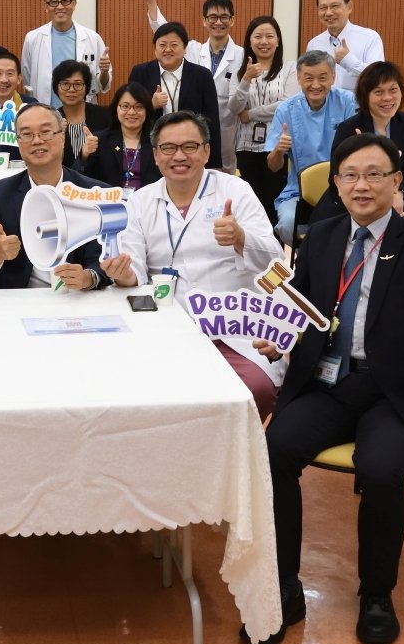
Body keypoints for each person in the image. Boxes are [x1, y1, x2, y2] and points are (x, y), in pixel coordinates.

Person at [250, 133, 404, 644]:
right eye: (350, 175)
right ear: (336, 183)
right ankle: (284, 585)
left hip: (396, 391)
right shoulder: (321, 236)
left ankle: (376, 593)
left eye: (375, 174)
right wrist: (279, 337)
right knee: (275, 449)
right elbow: (300, 307)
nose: (362, 185)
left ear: (397, 182)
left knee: (380, 469)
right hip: (330, 382)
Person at [99, 112, 284, 417]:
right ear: (155, 155)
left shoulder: (235, 191)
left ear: (207, 151)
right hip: (170, 326)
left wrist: (240, 237)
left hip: (233, 326)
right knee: (149, 394)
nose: (179, 156)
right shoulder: (140, 202)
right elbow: (134, 269)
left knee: (255, 390)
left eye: (189, 146)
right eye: (168, 148)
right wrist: (124, 274)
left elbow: (274, 259)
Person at [0, 104, 109, 292]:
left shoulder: (95, 193)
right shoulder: (0, 193)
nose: (37, 141)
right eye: (27, 134)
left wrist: (87, 277)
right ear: (18, 142)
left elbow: (105, 259)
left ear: (62, 137)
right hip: (20, 299)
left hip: (78, 299)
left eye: (46, 132)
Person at [266, 51, 357, 243]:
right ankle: (308, 255)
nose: (315, 85)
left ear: (333, 77)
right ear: (299, 78)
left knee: (350, 222)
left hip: (342, 188)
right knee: (287, 224)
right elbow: (273, 166)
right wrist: (279, 150)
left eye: (322, 78)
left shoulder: (347, 102)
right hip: (298, 191)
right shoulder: (286, 110)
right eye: (308, 78)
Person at [127, 21, 225, 169]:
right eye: (162, 45)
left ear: (185, 48)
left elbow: (211, 120)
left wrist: (214, 163)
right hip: (151, 149)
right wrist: (150, 105)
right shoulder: (140, 73)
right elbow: (129, 112)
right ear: (155, 48)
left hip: (190, 149)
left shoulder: (202, 76)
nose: (167, 49)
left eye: (174, 45)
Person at [226, 15, 295, 223]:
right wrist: (246, 79)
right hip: (245, 146)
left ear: (278, 41)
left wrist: (251, 114)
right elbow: (234, 107)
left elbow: (286, 104)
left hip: (276, 146)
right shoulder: (240, 72)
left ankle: (275, 242)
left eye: (269, 36)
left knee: (274, 203)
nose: (264, 41)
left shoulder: (289, 69)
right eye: (258, 36)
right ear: (249, 41)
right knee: (250, 205)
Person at [328, 61, 404, 212]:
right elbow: (335, 178)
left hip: (391, 203)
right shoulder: (348, 129)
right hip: (351, 205)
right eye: (378, 92)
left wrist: (399, 192)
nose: (387, 98)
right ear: (365, 96)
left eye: (393, 90)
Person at [139, 0, 244, 108]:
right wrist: (151, 1)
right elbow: (164, 31)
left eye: (224, 17)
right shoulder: (193, 50)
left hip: (228, 121)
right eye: (213, 17)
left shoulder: (242, 55)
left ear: (232, 20)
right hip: (195, 120)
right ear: (204, 21)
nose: (218, 22)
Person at [21, 0, 111, 106]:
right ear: (46, 7)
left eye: (65, 1)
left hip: (82, 111)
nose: (60, 7)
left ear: (73, 4)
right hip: (45, 111)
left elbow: (102, 86)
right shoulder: (32, 39)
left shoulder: (93, 39)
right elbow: (27, 80)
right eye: (54, 2)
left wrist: (104, 72)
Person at [304, 0, 385, 95]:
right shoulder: (314, 44)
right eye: (323, 8)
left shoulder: (370, 38)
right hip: (324, 105)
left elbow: (380, 78)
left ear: (349, 7)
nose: (328, 13)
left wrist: (350, 62)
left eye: (334, 6)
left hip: (359, 105)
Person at [83, 84, 160, 192]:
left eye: (138, 107)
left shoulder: (157, 141)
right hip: (109, 201)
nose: (131, 112)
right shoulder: (100, 140)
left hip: (148, 201)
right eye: (125, 106)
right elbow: (80, 177)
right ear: (116, 108)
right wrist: (84, 154)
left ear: (147, 110)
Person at [52, 59, 112, 167]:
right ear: (56, 87)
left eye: (78, 84)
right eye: (65, 84)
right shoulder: (51, 121)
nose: (71, 90)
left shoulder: (104, 115)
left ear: (86, 87)